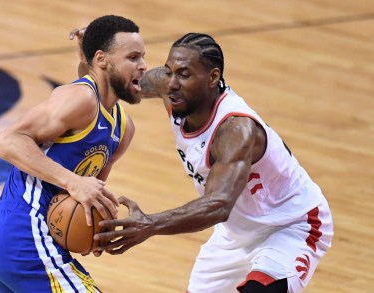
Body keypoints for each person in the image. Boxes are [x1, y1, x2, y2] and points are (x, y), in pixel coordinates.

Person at [90, 33, 334, 293]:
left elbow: (219, 205)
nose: (171, 83)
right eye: (170, 71)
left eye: (184, 75)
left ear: (213, 78)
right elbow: (115, 81)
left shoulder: (236, 130)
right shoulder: (172, 89)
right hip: (236, 233)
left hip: (291, 224)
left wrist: (150, 224)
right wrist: (93, 55)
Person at [0, 15, 146, 293]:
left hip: (23, 241)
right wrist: (73, 181)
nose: (143, 66)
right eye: (133, 57)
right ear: (103, 59)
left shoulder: (123, 127)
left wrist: (97, 231)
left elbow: (91, 193)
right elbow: (7, 141)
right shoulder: (80, 99)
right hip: (24, 233)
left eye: (143, 57)